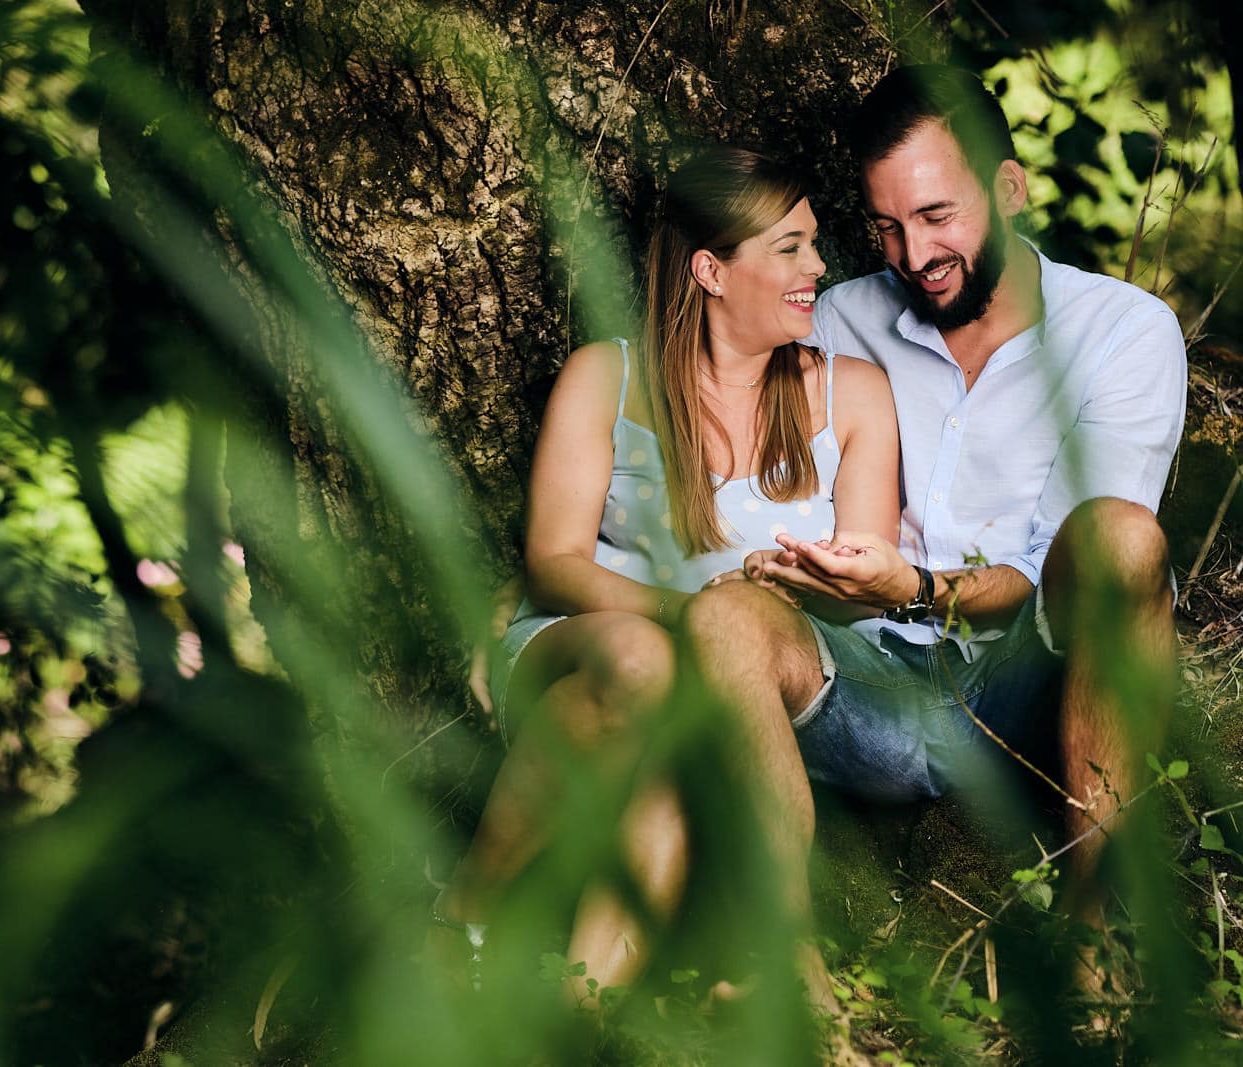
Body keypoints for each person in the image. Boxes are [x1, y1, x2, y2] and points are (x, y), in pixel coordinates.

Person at [743, 63, 1187, 983]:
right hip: (863, 676)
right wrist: (575, 556)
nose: (914, 255)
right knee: (728, 616)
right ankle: (776, 960)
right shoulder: (837, 319)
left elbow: (1057, 573)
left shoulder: (1122, 333)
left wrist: (914, 588)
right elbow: (710, 434)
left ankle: (1093, 937)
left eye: (938, 215)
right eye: (887, 226)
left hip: (1028, 689)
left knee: (1121, 538)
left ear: (1009, 189)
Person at [434, 145, 901, 1007]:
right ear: (711, 271)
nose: (818, 267)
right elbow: (555, 563)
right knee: (643, 661)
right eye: (790, 247)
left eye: (814, 243)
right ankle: (467, 910)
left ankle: (574, 1008)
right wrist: (688, 608)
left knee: (672, 742)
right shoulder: (605, 376)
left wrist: (795, 585)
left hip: (739, 679)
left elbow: (863, 587)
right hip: (588, 646)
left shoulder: (854, 395)